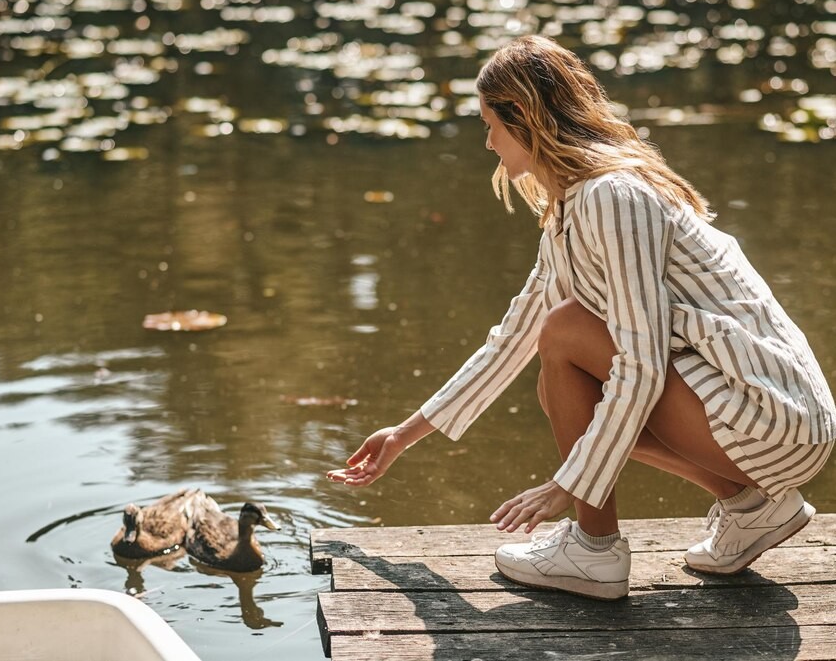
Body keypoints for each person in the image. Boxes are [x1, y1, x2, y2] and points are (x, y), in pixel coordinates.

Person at [326, 35, 836, 601]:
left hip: (775, 418)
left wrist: (565, 486)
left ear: (526, 120)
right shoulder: (574, 209)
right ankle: (751, 507)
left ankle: (593, 551)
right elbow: (512, 339)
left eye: (491, 123)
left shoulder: (612, 197)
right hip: (755, 417)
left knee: (568, 332)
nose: (488, 141)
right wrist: (404, 434)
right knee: (559, 374)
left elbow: (639, 364)